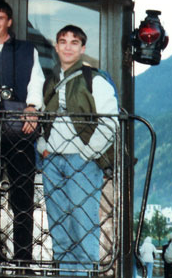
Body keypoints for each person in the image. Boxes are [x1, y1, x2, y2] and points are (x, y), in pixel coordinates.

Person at [38, 25, 119, 273]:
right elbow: (43, 119)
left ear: (83, 48)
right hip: (53, 161)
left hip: (82, 162)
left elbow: (110, 121)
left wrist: (88, 153)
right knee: (59, 227)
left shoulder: (95, 80)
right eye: (63, 41)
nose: (68, 46)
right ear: (56, 46)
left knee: (83, 226)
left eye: (74, 42)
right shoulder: (50, 81)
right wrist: (44, 147)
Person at [0, 0, 45, 265]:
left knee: (23, 193)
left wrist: (32, 108)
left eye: (0, 18)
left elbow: (36, 80)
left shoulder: (28, 50)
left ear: (9, 21)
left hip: (20, 126)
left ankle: (23, 257)